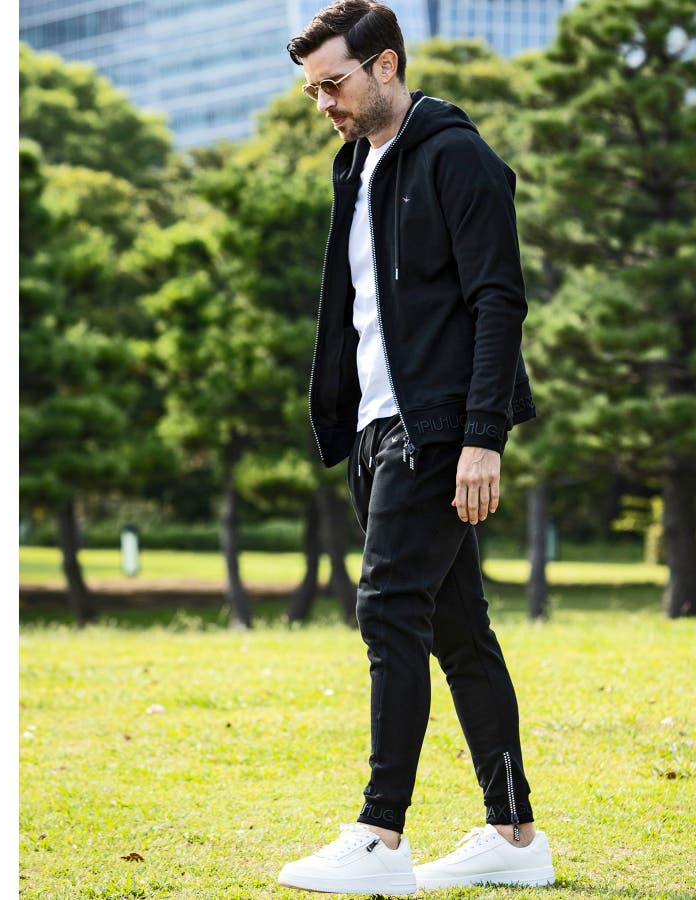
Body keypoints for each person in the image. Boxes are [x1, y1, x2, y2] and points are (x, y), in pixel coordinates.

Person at [278, 1, 554, 893]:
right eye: (313, 90)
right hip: (375, 428)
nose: (325, 102)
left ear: (386, 65)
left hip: (435, 427)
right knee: (458, 629)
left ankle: (380, 834)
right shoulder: (356, 166)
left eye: (335, 83)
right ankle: (515, 837)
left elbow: (498, 300)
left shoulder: (456, 156)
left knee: (389, 608)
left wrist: (482, 438)